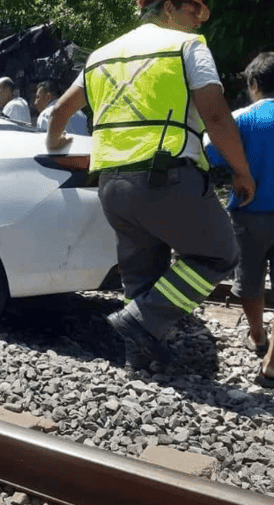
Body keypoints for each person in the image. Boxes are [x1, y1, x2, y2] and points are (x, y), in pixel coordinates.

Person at [46, 0, 256, 370]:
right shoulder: (188, 47)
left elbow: (61, 111)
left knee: (141, 272)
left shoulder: (101, 55)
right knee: (220, 253)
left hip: (111, 185)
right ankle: (141, 321)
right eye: (193, 11)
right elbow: (216, 114)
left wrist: (54, 143)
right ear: (170, 7)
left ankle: (140, 361)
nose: (197, 22)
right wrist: (242, 171)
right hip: (166, 178)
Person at [205, 52, 274, 387]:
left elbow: (210, 151)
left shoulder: (242, 118)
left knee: (249, 280)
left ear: (254, 84)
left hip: (250, 213)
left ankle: (259, 336)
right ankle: (272, 363)